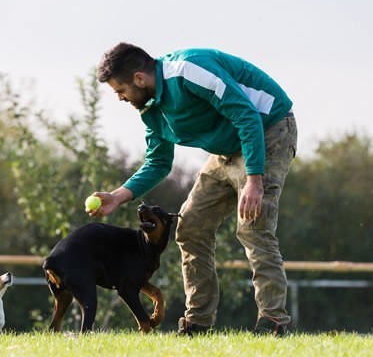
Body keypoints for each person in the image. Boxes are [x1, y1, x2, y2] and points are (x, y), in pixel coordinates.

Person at [90, 42, 297, 336]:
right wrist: (119, 195)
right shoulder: (150, 108)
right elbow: (159, 161)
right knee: (190, 227)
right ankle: (198, 322)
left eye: (120, 91)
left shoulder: (188, 71)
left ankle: (273, 322)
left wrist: (254, 179)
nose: (121, 98)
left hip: (269, 129)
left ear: (139, 78)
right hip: (227, 149)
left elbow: (247, 115)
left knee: (253, 226)